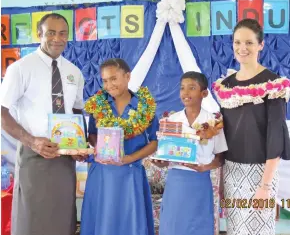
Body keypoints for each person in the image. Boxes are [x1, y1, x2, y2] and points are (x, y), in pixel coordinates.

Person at [0, 13, 85, 235]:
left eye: (63, 33)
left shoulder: (74, 72)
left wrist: (79, 144)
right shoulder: (20, 69)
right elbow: (2, 112)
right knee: (31, 221)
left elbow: (76, 110)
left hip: (65, 160)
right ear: (39, 34)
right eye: (51, 33)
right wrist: (32, 141)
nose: (57, 38)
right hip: (33, 156)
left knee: (62, 220)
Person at [212, 18, 290, 235]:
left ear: (260, 45)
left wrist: (265, 186)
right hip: (231, 172)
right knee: (236, 230)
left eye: (248, 43)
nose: (242, 48)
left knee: (259, 230)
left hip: (261, 173)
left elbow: (276, 135)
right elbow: (224, 134)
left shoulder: (273, 84)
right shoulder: (225, 85)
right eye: (237, 42)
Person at [81, 58, 159, 235]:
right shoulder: (99, 104)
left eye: (114, 78)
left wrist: (130, 158)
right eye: (105, 80)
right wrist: (100, 147)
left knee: (130, 222)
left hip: (130, 173)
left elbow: (154, 142)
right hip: (102, 173)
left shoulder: (144, 106)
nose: (109, 85)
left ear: (128, 76)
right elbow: (92, 134)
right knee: (102, 220)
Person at [152, 71, 228, 235]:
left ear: (204, 93)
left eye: (191, 88)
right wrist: (161, 161)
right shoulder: (171, 120)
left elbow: (221, 158)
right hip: (175, 182)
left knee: (198, 225)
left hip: (199, 181)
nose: (185, 93)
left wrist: (206, 167)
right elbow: (164, 154)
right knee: (173, 225)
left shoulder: (214, 122)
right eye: (182, 88)